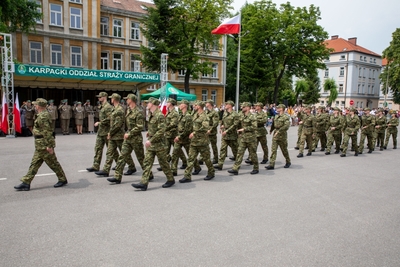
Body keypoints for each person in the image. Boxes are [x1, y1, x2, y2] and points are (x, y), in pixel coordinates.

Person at [14, 98, 68, 191]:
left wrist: (50, 146)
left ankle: (62, 179)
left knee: (53, 163)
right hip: (40, 144)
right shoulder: (41, 114)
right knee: (35, 163)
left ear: (39, 106)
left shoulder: (43, 116)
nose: (34, 106)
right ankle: (26, 182)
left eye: (35, 105)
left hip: (44, 144)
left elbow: (47, 132)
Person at [131, 97, 175, 191]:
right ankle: (143, 183)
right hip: (152, 145)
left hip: (159, 145)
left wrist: (151, 140)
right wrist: (149, 133)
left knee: (163, 164)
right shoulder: (151, 114)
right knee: (147, 163)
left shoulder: (159, 115)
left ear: (153, 104)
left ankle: (171, 179)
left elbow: (161, 131)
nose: (147, 104)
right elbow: (155, 128)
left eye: (149, 103)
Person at [107, 94, 149, 184]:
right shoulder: (129, 110)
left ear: (132, 100)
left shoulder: (138, 112)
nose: (126, 100)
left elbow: (140, 126)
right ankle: (117, 177)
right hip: (128, 139)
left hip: (136, 139)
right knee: (122, 157)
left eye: (128, 99)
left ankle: (149, 174)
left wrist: (129, 133)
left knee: (141, 159)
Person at [179, 101, 215, 182]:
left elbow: (205, 127)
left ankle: (211, 172)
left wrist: (194, 133)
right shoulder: (195, 114)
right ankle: (187, 176)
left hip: (202, 142)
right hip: (194, 142)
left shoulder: (205, 116)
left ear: (199, 106)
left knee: (207, 159)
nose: (194, 106)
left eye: (195, 105)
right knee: (191, 159)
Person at [95, 93, 129, 177]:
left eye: (112, 98)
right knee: (110, 152)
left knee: (123, 152)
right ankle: (106, 170)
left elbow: (117, 124)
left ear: (114, 99)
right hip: (112, 134)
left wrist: (110, 132)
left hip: (118, 134)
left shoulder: (119, 110)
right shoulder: (114, 108)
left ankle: (131, 166)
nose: (111, 99)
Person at [227, 102, 259, 175]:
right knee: (239, 153)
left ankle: (256, 168)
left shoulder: (252, 116)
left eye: (243, 107)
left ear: (248, 107)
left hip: (251, 138)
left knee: (253, 154)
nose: (242, 108)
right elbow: (237, 124)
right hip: (243, 138)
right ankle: (235, 169)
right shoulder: (242, 116)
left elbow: (254, 127)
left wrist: (244, 129)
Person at [86, 92, 114, 172]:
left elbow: (110, 119)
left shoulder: (108, 107)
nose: (99, 98)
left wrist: (100, 123)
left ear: (104, 97)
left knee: (112, 150)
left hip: (106, 132)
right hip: (101, 131)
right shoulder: (101, 106)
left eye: (100, 97)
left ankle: (120, 164)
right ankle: (95, 165)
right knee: (98, 149)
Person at [157, 98, 186, 172]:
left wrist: (164, 128)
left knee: (177, 150)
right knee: (165, 150)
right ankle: (165, 164)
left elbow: (173, 124)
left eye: (168, 102)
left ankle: (185, 161)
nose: (166, 103)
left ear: (171, 103)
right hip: (167, 134)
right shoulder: (168, 112)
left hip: (173, 134)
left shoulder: (174, 113)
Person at [170, 99, 195, 176]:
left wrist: (179, 137)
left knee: (190, 155)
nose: (179, 105)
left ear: (185, 105)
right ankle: (173, 170)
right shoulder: (181, 115)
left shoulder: (188, 116)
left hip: (185, 139)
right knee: (175, 153)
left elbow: (187, 130)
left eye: (181, 104)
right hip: (179, 138)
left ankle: (197, 167)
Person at [214, 100, 239, 170]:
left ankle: (237, 163)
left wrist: (227, 131)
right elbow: (222, 121)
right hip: (225, 135)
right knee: (223, 149)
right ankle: (220, 165)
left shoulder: (235, 114)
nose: (225, 105)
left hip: (232, 135)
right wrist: (221, 126)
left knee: (235, 150)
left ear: (230, 105)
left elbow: (235, 125)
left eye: (227, 104)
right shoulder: (225, 113)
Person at [265, 104, 291, 170]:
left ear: (282, 108)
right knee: (273, 150)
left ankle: (288, 161)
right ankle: (271, 164)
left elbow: (286, 126)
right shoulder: (276, 116)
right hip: (275, 135)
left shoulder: (286, 117)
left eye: (278, 108)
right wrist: (271, 130)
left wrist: (278, 131)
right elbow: (274, 124)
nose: (277, 108)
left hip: (282, 135)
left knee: (284, 150)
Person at [200, 99, 219, 164]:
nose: (206, 104)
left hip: (212, 132)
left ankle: (216, 158)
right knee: (203, 145)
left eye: (207, 103)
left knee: (213, 146)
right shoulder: (206, 112)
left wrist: (210, 130)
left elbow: (215, 123)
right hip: (205, 132)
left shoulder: (214, 112)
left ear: (210, 104)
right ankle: (201, 158)